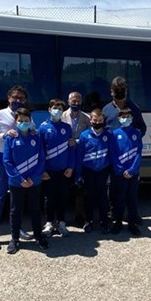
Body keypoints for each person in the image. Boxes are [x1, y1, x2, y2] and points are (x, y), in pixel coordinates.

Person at [0, 85, 27, 251]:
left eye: (21, 98)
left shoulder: (25, 115)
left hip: (21, 160)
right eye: (15, 97)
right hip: (3, 159)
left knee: (18, 197)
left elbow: (33, 131)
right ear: (9, 98)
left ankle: (17, 229)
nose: (18, 100)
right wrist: (4, 135)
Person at [3, 108, 48, 254]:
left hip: (34, 181)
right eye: (20, 121)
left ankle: (38, 236)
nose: (23, 123)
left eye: (26, 121)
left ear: (31, 121)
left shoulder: (36, 136)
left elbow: (42, 158)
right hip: (17, 182)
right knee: (16, 210)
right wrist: (20, 179)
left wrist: (33, 178)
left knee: (35, 209)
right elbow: (7, 161)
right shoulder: (11, 138)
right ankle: (15, 239)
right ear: (15, 122)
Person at [38, 99, 75, 238]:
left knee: (62, 197)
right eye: (55, 108)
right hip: (49, 171)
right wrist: (42, 170)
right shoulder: (42, 128)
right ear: (49, 109)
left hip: (64, 171)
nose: (57, 111)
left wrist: (71, 166)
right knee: (49, 198)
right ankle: (48, 223)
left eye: (60, 108)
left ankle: (61, 223)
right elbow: (40, 152)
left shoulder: (67, 127)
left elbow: (71, 149)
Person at [75, 109, 111, 234]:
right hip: (88, 172)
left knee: (103, 198)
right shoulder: (84, 135)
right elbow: (79, 157)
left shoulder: (108, 135)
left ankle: (104, 222)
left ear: (103, 120)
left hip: (103, 172)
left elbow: (111, 155)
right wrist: (78, 175)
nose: (97, 122)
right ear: (90, 120)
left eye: (100, 120)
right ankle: (88, 221)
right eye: (95, 120)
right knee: (88, 198)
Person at [109, 108, 144, 236]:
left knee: (132, 199)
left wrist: (132, 170)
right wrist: (120, 169)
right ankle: (118, 223)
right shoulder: (114, 134)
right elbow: (112, 153)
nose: (126, 119)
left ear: (132, 118)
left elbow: (139, 153)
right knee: (119, 199)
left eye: (128, 116)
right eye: (123, 116)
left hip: (132, 173)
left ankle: (132, 224)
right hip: (119, 173)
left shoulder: (137, 133)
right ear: (119, 118)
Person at [62, 91, 91, 225]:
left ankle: (79, 215)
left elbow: (91, 136)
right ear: (68, 102)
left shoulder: (86, 117)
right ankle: (60, 218)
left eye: (78, 101)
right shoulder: (61, 116)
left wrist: (78, 141)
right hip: (65, 155)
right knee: (64, 186)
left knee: (80, 186)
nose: (76, 103)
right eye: (73, 101)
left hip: (80, 155)